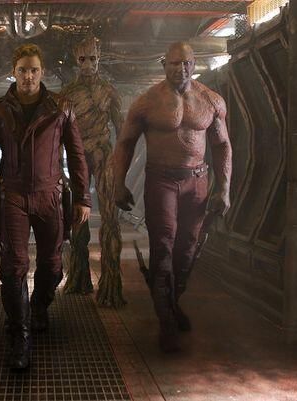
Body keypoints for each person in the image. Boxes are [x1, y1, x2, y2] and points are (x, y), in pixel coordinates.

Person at [0, 44, 91, 369]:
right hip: (13, 196)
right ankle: (20, 336)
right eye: (22, 70)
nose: (28, 76)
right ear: (14, 72)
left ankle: (37, 308)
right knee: (13, 268)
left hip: (50, 195)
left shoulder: (61, 108)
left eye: (34, 69)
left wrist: (83, 198)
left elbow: (76, 155)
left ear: (42, 72)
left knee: (53, 266)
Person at [113, 42, 232, 352]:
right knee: (163, 244)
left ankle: (171, 301)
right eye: (175, 63)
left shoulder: (210, 100)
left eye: (187, 63)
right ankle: (166, 320)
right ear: (164, 64)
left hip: (198, 181)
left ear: (194, 63)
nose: (181, 69)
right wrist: (118, 184)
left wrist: (224, 189)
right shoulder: (147, 102)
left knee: (188, 249)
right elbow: (125, 143)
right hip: (161, 181)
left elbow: (221, 145)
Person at [60, 35, 125, 307]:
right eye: (83, 59)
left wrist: (122, 167)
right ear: (76, 60)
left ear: (100, 58)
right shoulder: (68, 94)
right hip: (79, 157)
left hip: (104, 154)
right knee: (78, 216)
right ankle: (79, 277)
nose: (88, 65)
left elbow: (122, 131)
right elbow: (59, 133)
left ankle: (111, 283)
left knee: (111, 218)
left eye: (93, 59)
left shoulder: (109, 92)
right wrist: (59, 167)